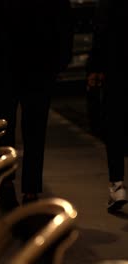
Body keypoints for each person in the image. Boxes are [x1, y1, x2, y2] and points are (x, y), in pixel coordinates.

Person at [0, 0, 74, 208]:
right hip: (39, 65)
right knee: (35, 131)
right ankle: (30, 190)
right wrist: (60, 60)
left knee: (5, 129)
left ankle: (7, 184)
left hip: (6, 65)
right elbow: (63, 20)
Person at [86, 0, 128, 211]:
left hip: (118, 67)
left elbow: (101, 29)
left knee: (115, 127)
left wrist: (95, 67)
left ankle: (117, 184)